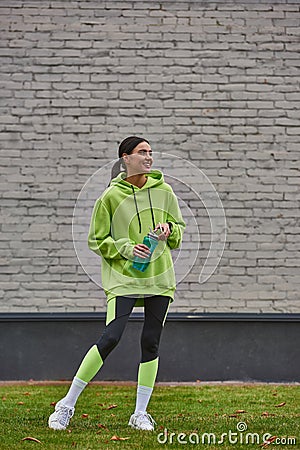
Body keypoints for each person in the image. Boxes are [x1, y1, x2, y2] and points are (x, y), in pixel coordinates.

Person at [48, 136, 185, 431]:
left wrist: (169, 228)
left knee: (151, 342)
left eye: (150, 152)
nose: (148, 157)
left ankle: (140, 413)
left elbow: (179, 231)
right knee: (111, 337)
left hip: (159, 278)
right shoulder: (109, 197)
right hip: (123, 278)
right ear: (126, 157)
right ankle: (66, 404)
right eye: (142, 152)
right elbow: (96, 240)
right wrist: (125, 247)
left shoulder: (165, 192)